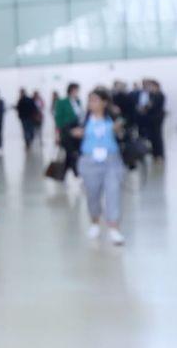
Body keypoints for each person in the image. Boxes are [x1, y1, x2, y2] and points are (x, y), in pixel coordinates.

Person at [73, 88, 126, 245]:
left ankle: (114, 228)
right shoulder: (83, 118)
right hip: (89, 161)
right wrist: (75, 133)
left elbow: (124, 130)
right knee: (92, 195)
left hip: (111, 160)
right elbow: (68, 132)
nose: (92, 104)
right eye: (90, 100)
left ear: (104, 102)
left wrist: (119, 128)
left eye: (95, 100)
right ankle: (95, 222)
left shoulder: (113, 117)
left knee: (113, 192)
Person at [54, 82, 84, 177]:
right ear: (71, 90)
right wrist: (57, 134)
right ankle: (75, 171)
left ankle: (62, 173)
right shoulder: (62, 102)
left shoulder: (78, 101)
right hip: (66, 130)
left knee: (70, 153)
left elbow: (80, 116)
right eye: (76, 90)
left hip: (76, 129)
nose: (77, 92)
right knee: (69, 151)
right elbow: (58, 118)